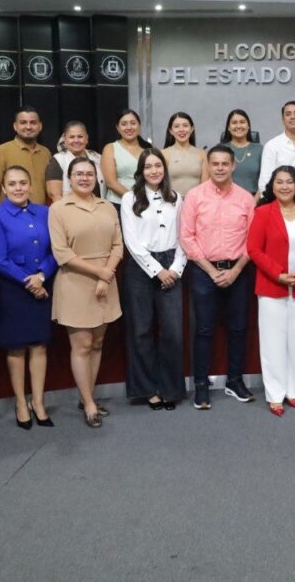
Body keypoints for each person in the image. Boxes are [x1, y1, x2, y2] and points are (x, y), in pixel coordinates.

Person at [180, 144, 257, 410]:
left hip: (238, 271)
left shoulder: (246, 198)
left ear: (233, 165)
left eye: (225, 163)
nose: (220, 168)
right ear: (208, 166)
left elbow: (252, 240)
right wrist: (212, 271)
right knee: (204, 329)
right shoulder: (194, 196)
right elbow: (187, 237)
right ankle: (201, 384)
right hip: (204, 272)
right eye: (215, 164)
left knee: (238, 328)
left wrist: (235, 271)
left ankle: (234, 381)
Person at [49, 157, 124, 428]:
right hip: (76, 282)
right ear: (69, 178)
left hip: (107, 280)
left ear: (96, 178)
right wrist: (100, 273)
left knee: (97, 343)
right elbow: (62, 253)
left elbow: (118, 245)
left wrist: (107, 273)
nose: (84, 178)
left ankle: (86, 396)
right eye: (78, 174)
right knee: (81, 345)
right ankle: (90, 404)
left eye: (89, 174)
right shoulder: (58, 209)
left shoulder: (107, 206)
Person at [0, 165, 58, 430]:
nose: (18, 188)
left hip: (42, 284)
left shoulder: (45, 212)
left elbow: (56, 250)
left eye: (23, 183)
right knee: (16, 347)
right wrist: (31, 282)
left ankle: (38, 402)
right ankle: (20, 402)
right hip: (12, 290)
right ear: (4, 188)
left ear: (30, 185)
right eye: (12, 184)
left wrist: (42, 275)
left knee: (39, 346)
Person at [248, 166, 295, 417]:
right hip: (272, 286)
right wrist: (278, 274)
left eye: (290, 182)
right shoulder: (263, 212)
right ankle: (275, 393)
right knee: (273, 341)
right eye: (279, 182)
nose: (285, 186)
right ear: (272, 186)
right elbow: (254, 249)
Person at [120, 148, 188, 410]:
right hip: (141, 267)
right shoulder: (129, 198)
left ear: (164, 169)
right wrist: (157, 270)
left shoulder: (176, 198)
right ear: (141, 171)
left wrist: (176, 268)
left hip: (172, 263)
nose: (154, 171)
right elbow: (131, 241)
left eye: (158, 165)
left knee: (172, 332)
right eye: (148, 167)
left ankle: (171, 390)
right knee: (141, 331)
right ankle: (148, 390)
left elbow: (184, 236)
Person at [0, 105, 53, 210]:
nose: (28, 127)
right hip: (10, 215)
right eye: (23, 122)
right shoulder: (0, 151)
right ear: (15, 126)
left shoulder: (46, 153)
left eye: (33, 123)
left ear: (40, 126)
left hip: (39, 215)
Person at [103, 108, 152, 209]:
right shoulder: (110, 148)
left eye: (133, 123)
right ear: (118, 128)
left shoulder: (150, 148)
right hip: (118, 203)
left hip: (148, 202)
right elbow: (111, 183)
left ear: (139, 126)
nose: (129, 127)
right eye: (124, 124)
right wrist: (134, 199)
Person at [46, 120, 105, 202]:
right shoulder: (58, 160)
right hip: (69, 208)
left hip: (98, 207)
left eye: (80, 136)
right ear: (65, 139)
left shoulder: (98, 158)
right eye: (71, 137)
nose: (76, 140)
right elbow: (55, 195)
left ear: (87, 138)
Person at [162, 111, 209, 196]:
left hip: (196, 202)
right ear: (171, 131)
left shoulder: (202, 154)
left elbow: (205, 187)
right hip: (171, 201)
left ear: (192, 129)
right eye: (176, 126)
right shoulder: (163, 154)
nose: (181, 130)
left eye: (185, 125)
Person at [220, 109, 262, 195]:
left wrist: (254, 201)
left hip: (254, 198)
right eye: (234, 123)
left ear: (248, 126)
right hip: (225, 198)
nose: (238, 126)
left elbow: (266, 180)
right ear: (228, 127)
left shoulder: (260, 149)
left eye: (242, 122)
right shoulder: (220, 150)